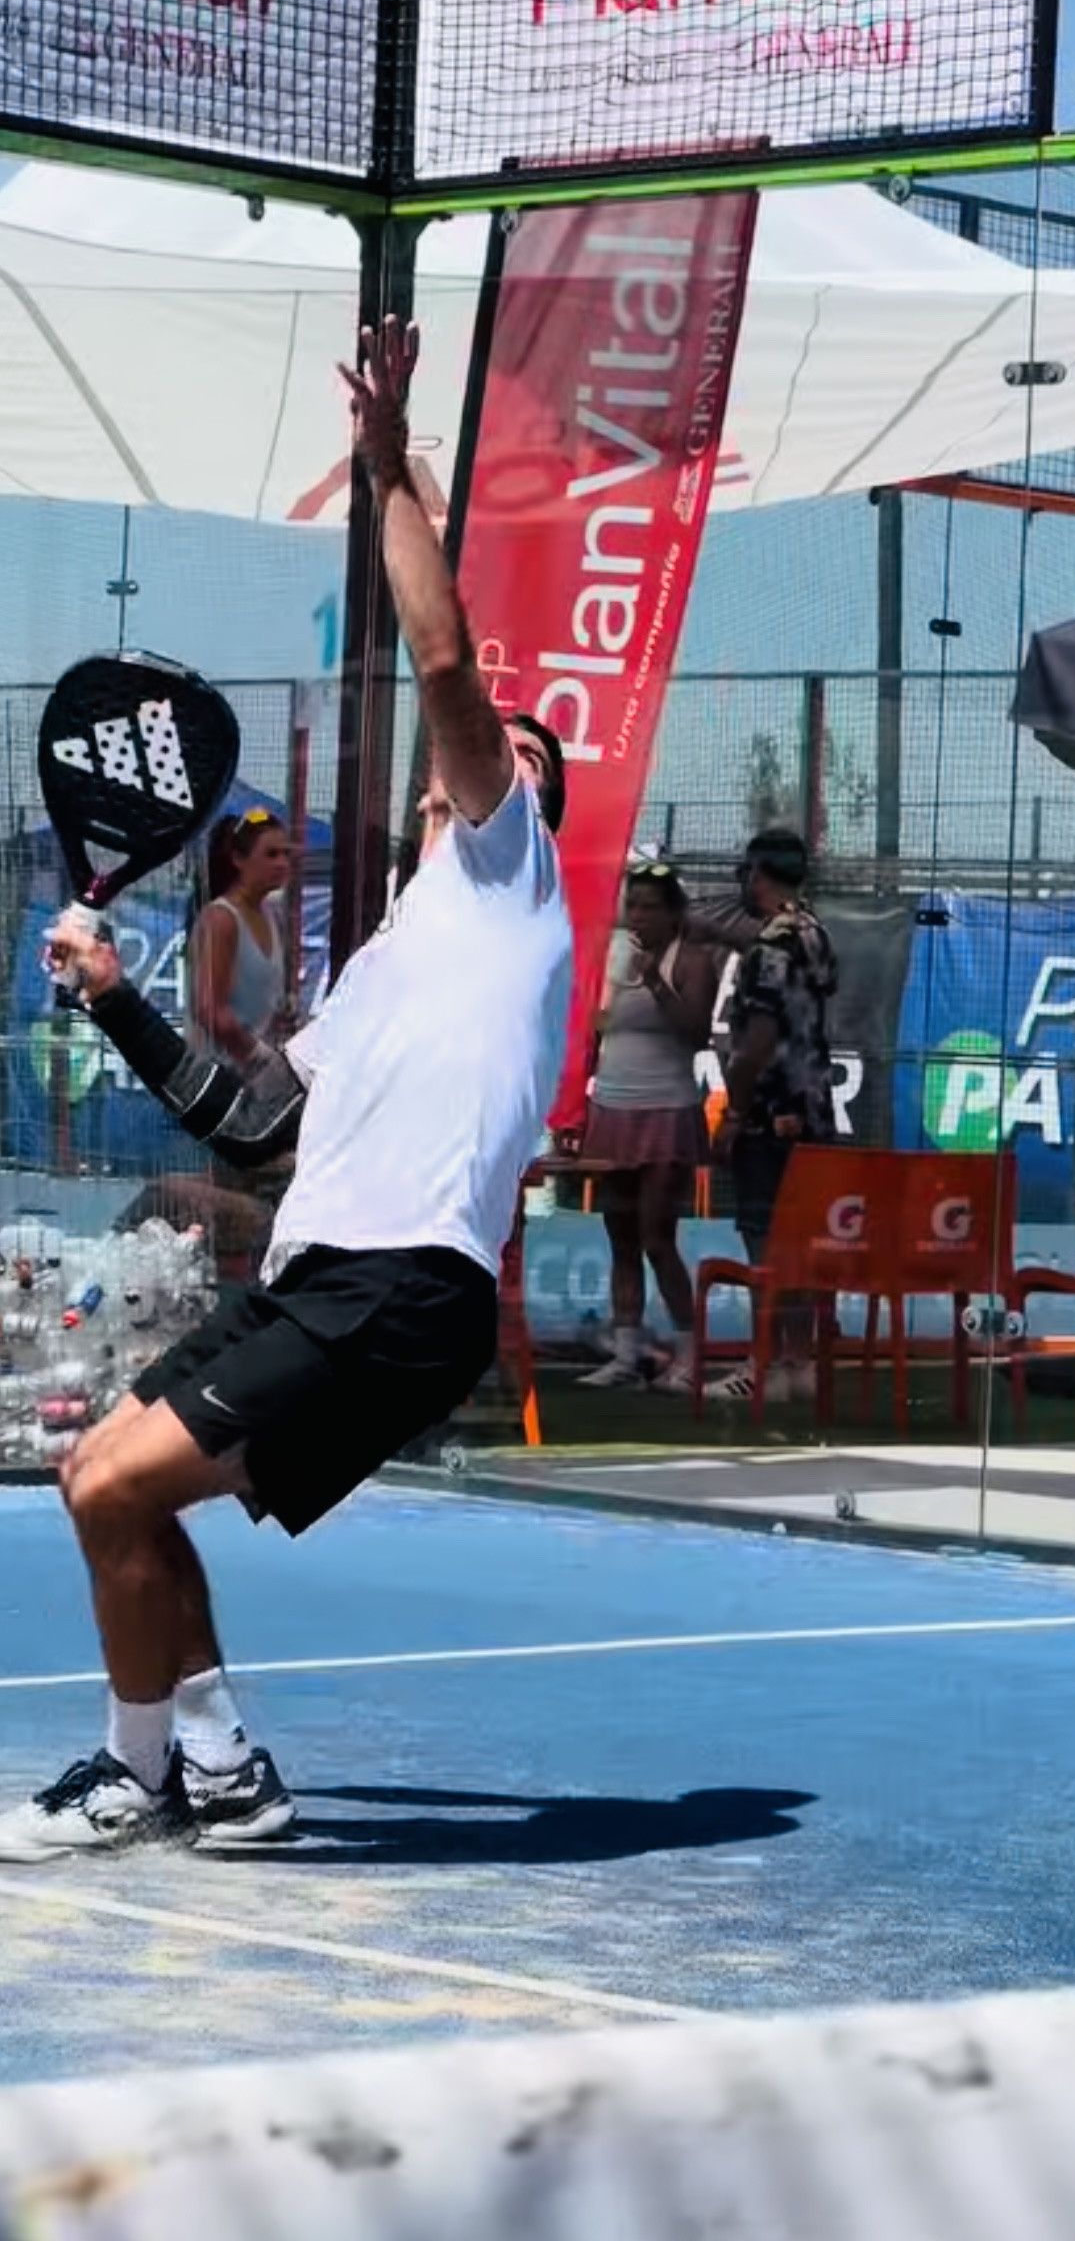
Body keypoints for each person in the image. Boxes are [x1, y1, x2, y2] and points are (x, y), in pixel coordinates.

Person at [0, 316, 573, 1863]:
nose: (487, 758)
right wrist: (116, 1000)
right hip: (331, 1274)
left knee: (111, 1481)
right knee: (103, 1482)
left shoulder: (512, 881)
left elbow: (444, 659)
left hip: (400, 1288)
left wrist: (389, 471)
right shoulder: (393, 963)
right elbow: (253, 1129)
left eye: (513, 758)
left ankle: (153, 1773)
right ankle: (205, 1772)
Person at [707, 829, 838, 1404]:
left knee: (764, 1244)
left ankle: (762, 1364)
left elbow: (756, 1041)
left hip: (769, 1118)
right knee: (803, 1245)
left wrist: (734, 1113)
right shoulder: (815, 934)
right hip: (813, 1113)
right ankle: (797, 1362)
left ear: (760, 874)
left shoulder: (769, 949)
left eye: (747, 873)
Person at [578, 863, 717, 1393]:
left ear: (674, 914)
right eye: (632, 905)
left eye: (650, 907)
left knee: (657, 1237)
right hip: (612, 1109)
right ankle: (627, 1355)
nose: (638, 915)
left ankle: (690, 1356)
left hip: (666, 1110)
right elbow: (594, 1027)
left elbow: (696, 1033)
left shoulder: (692, 960)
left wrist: (654, 979)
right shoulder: (611, 957)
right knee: (620, 1235)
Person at [187, 807, 292, 1070]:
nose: (282, 863)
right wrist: (259, 1057)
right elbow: (209, 1010)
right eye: (271, 854)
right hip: (219, 1079)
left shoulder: (272, 916)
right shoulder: (220, 919)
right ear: (238, 859)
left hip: (258, 1081)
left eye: (286, 854)